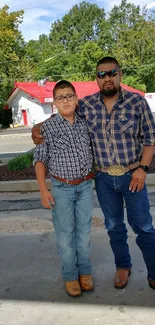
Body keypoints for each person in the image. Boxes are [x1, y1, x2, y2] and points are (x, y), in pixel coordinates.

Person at [32, 57, 155, 291]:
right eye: (101, 74)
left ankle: (154, 271)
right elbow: (61, 113)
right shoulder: (86, 105)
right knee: (114, 226)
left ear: (120, 74)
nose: (107, 78)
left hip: (133, 176)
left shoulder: (137, 103)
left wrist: (143, 169)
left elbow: (151, 139)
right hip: (104, 179)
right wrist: (37, 128)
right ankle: (123, 266)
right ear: (96, 79)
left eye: (112, 73)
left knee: (144, 227)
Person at [33, 80, 94, 297]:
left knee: (84, 234)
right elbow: (39, 160)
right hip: (62, 189)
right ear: (54, 103)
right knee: (65, 235)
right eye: (60, 97)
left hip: (86, 186)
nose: (65, 100)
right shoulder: (47, 128)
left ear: (76, 99)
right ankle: (70, 275)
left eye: (69, 96)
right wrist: (43, 190)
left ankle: (85, 272)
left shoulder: (86, 123)